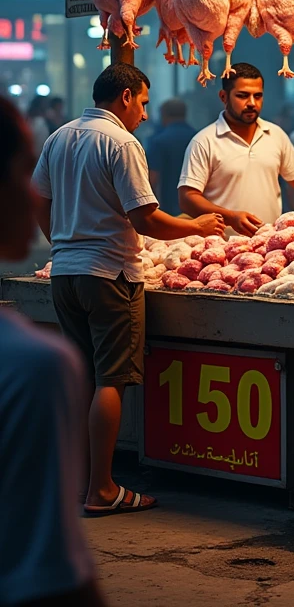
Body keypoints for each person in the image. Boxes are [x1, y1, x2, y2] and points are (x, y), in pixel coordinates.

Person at [32, 64, 224, 516]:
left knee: (81, 376)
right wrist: (195, 226)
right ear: (124, 97)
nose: (143, 111)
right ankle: (102, 489)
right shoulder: (121, 142)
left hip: (66, 273)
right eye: (141, 101)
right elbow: (145, 218)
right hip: (109, 274)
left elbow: (38, 198)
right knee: (110, 380)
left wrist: (62, 241)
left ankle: (75, 482)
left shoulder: (59, 137)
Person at [0, 96, 107, 606]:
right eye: (23, 173)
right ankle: (103, 485)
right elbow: (49, 573)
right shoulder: (30, 366)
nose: (36, 195)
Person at [178, 63, 294, 232]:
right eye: (242, 95)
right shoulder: (204, 141)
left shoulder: (275, 134)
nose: (252, 103)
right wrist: (230, 217)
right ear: (223, 97)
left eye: (258, 96)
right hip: (221, 249)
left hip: (269, 248)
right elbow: (188, 198)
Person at [147, 98, 196, 214]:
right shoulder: (199, 138)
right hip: (196, 208)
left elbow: (152, 178)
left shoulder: (158, 141)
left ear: (163, 115)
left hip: (168, 210)